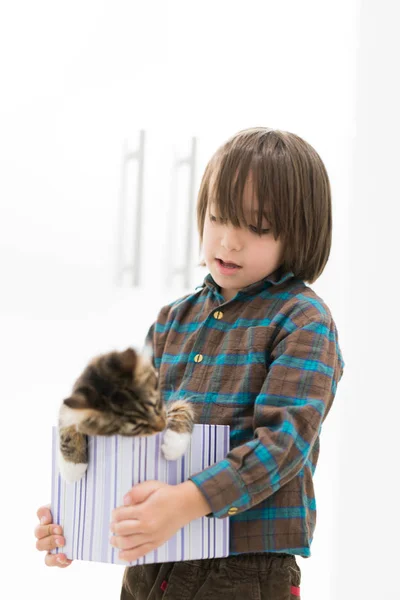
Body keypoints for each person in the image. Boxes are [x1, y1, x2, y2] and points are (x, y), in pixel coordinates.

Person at [35, 127, 345, 599]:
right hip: (154, 565)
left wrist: (187, 502)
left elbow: (282, 446)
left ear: (299, 233)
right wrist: (79, 519)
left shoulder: (303, 320)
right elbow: (130, 435)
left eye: (256, 226)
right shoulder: (173, 319)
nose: (228, 240)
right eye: (218, 217)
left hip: (243, 572)